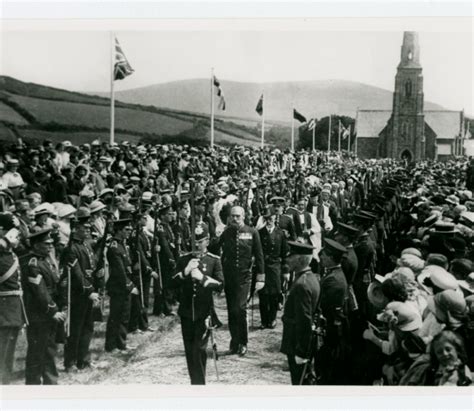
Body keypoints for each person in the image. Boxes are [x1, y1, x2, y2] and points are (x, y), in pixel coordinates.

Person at [172, 224, 223, 384]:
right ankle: (195, 382)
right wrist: (185, 272)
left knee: (199, 350)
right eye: (194, 241)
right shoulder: (183, 260)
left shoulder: (214, 260)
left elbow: (221, 285)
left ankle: (199, 385)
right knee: (189, 350)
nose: (196, 245)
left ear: (207, 241)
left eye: (200, 241)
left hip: (204, 312)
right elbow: (170, 283)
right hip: (187, 312)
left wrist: (202, 278)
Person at [216, 205, 264, 356]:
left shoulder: (252, 232)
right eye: (232, 216)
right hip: (230, 277)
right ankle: (234, 342)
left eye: (238, 216)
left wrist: (260, 277)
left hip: (245, 277)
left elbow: (259, 255)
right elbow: (215, 247)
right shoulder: (227, 232)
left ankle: (243, 342)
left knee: (240, 309)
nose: (235, 219)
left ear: (243, 216)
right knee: (232, 310)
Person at [22, 228, 65, 385]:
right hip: (39, 315)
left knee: (48, 349)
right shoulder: (33, 264)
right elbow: (40, 292)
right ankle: (33, 385)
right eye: (46, 244)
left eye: (51, 244)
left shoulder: (44, 262)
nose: (50, 247)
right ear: (37, 245)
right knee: (37, 352)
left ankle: (50, 381)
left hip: (46, 314)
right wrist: (52, 310)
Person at [61, 207, 102, 371]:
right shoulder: (71, 249)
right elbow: (77, 275)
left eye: (88, 228)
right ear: (76, 229)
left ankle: (83, 360)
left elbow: (91, 265)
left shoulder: (86, 245)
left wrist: (99, 273)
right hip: (78, 294)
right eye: (84, 228)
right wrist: (89, 290)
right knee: (75, 330)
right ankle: (70, 362)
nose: (88, 230)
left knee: (88, 328)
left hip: (89, 292)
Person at [280, 241, 320, 385]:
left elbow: (304, 320)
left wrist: (301, 352)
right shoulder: (309, 278)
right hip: (299, 341)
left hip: (297, 342)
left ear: (300, 259)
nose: (287, 259)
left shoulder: (302, 284)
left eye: (291, 256)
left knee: (300, 382)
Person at [317, 238, 351, 385]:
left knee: (328, 361)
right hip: (332, 324)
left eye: (323, 256)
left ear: (331, 258)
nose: (321, 258)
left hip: (331, 326)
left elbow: (325, 306)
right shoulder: (334, 274)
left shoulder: (333, 280)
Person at [105, 218, 137, 353]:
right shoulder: (114, 247)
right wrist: (130, 286)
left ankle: (121, 343)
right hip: (118, 286)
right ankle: (111, 346)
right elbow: (119, 271)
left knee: (124, 316)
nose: (129, 232)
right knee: (116, 317)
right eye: (126, 229)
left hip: (124, 286)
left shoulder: (122, 244)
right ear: (118, 231)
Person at [0, 213, 25, 384]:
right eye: (10, 231)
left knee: (10, 344)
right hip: (3, 306)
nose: (14, 235)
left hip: (13, 306)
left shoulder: (10, 253)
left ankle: (5, 376)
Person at [258, 206, 289, 329]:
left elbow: (284, 253)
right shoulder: (259, 233)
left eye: (271, 217)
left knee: (275, 294)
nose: (269, 220)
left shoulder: (280, 233)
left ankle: (272, 319)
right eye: (267, 218)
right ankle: (263, 320)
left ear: (275, 217)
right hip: (263, 267)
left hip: (276, 267)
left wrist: (285, 270)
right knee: (263, 294)